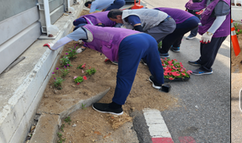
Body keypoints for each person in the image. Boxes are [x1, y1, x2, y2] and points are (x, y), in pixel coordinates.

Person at [43, 25, 171, 115]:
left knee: (125, 75)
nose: (80, 40)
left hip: (132, 44)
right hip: (146, 38)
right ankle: (159, 82)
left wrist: (53, 47)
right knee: (154, 61)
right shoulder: (96, 29)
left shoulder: (81, 30)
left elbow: (66, 39)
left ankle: (116, 107)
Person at [187, 0, 231, 75]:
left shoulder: (222, 0)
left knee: (210, 49)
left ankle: (206, 68)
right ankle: (202, 60)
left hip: (218, 31)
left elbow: (221, 18)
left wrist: (210, 32)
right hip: (212, 27)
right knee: (205, 46)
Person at [107, 9, 176, 43]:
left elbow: (139, 31)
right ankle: (146, 56)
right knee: (150, 41)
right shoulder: (127, 14)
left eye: (115, 21)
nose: (116, 22)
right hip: (163, 23)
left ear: (119, 17)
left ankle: (145, 58)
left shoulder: (131, 17)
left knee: (145, 40)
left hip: (165, 24)